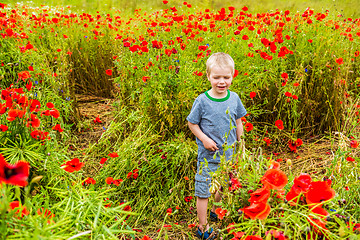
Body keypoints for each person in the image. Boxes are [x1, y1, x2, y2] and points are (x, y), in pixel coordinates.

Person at [186, 52, 247, 239]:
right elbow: (192, 124)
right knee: (204, 189)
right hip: (208, 156)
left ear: (232, 76)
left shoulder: (234, 98)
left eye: (226, 77)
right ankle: (202, 227)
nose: (222, 82)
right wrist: (204, 138)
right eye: (217, 77)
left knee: (223, 184)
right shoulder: (202, 101)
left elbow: (238, 122)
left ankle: (216, 210)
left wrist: (241, 145)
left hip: (228, 154)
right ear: (208, 76)